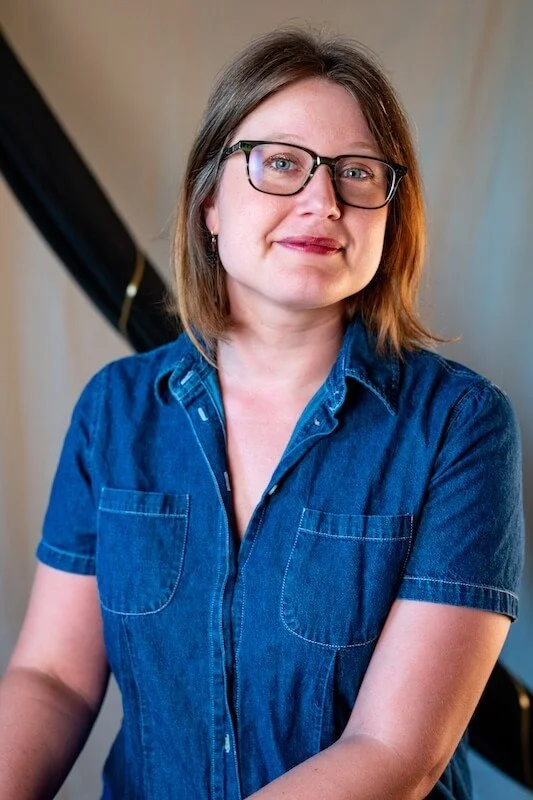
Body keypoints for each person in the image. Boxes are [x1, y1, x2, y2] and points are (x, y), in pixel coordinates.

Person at [0, 28, 524, 800]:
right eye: (280, 163)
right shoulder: (113, 412)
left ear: (389, 213)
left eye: (356, 172)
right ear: (209, 202)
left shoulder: (459, 425)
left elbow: (394, 752)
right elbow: (51, 679)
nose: (322, 200)